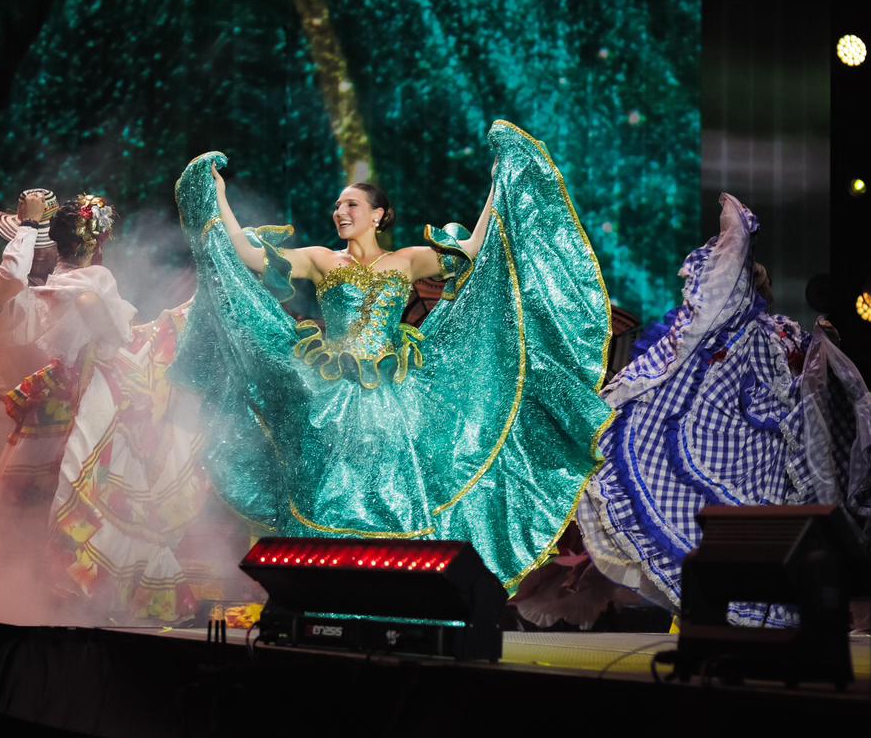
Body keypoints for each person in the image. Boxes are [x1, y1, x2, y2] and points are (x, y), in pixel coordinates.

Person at [171, 120, 613, 589]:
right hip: (330, 392)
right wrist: (216, 193)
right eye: (338, 204)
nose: (340, 211)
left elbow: (476, 248)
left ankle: (404, 591)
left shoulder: (407, 260)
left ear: (379, 214)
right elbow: (249, 256)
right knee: (327, 489)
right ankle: (319, 587)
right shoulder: (323, 258)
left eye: (352, 204)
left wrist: (500, 177)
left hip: (395, 391)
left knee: (395, 492)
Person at [575, 194, 871, 625]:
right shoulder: (749, 334)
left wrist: (739, 232)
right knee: (736, 538)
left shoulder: (769, 333)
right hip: (751, 453)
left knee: (745, 538)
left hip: (767, 456)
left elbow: (816, 389)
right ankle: (721, 619)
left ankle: (731, 618)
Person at [2, 194, 212, 622]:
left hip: (79, 384)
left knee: (84, 476)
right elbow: (112, 331)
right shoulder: (94, 277)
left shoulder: (48, 279)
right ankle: (83, 586)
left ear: (56, 243)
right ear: (96, 242)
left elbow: (76, 329)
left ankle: (77, 586)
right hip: (97, 381)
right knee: (95, 477)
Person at [0, 188, 61, 488]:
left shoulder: (61, 287)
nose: (45, 253)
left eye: (48, 246)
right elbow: (15, 274)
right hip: (4, 413)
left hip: (47, 418)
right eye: (38, 246)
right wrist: (30, 226)